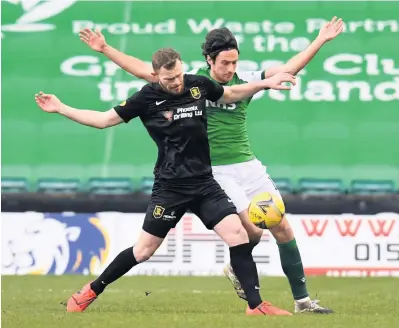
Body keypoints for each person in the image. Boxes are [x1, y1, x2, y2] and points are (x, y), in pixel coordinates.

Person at [78, 17, 343, 314]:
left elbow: (286, 70)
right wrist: (105, 49)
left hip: (248, 165)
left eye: (235, 62)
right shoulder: (191, 83)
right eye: (225, 63)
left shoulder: (247, 80)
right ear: (209, 60)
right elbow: (143, 69)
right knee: (251, 231)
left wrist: (319, 40)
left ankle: (303, 302)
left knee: (281, 225)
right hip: (214, 171)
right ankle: (241, 273)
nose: (231, 69)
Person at [35, 48, 297, 315]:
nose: (176, 82)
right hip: (171, 187)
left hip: (205, 183)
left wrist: (264, 84)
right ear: (155, 75)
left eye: (178, 75)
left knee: (238, 234)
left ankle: (256, 306)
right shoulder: (145, 98)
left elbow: (229, 94)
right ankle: (92, 289)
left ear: (182, 67)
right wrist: (61, 108)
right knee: (143, 250)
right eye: (169, 78)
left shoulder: (198, 84)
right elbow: (103, 120)